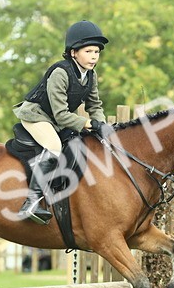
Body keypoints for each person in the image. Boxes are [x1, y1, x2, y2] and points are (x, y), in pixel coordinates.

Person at [12, 20, 109, 223]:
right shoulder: (60, 73)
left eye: (97, 52)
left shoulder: (91, 75)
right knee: (54, 146)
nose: (94, 56)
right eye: (89, 51)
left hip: (56, 120)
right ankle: (31, 203)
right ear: (73, 52)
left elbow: (95, 105)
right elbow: (61, 115)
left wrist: (101, 124)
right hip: (36, 115)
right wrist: (88, 124)